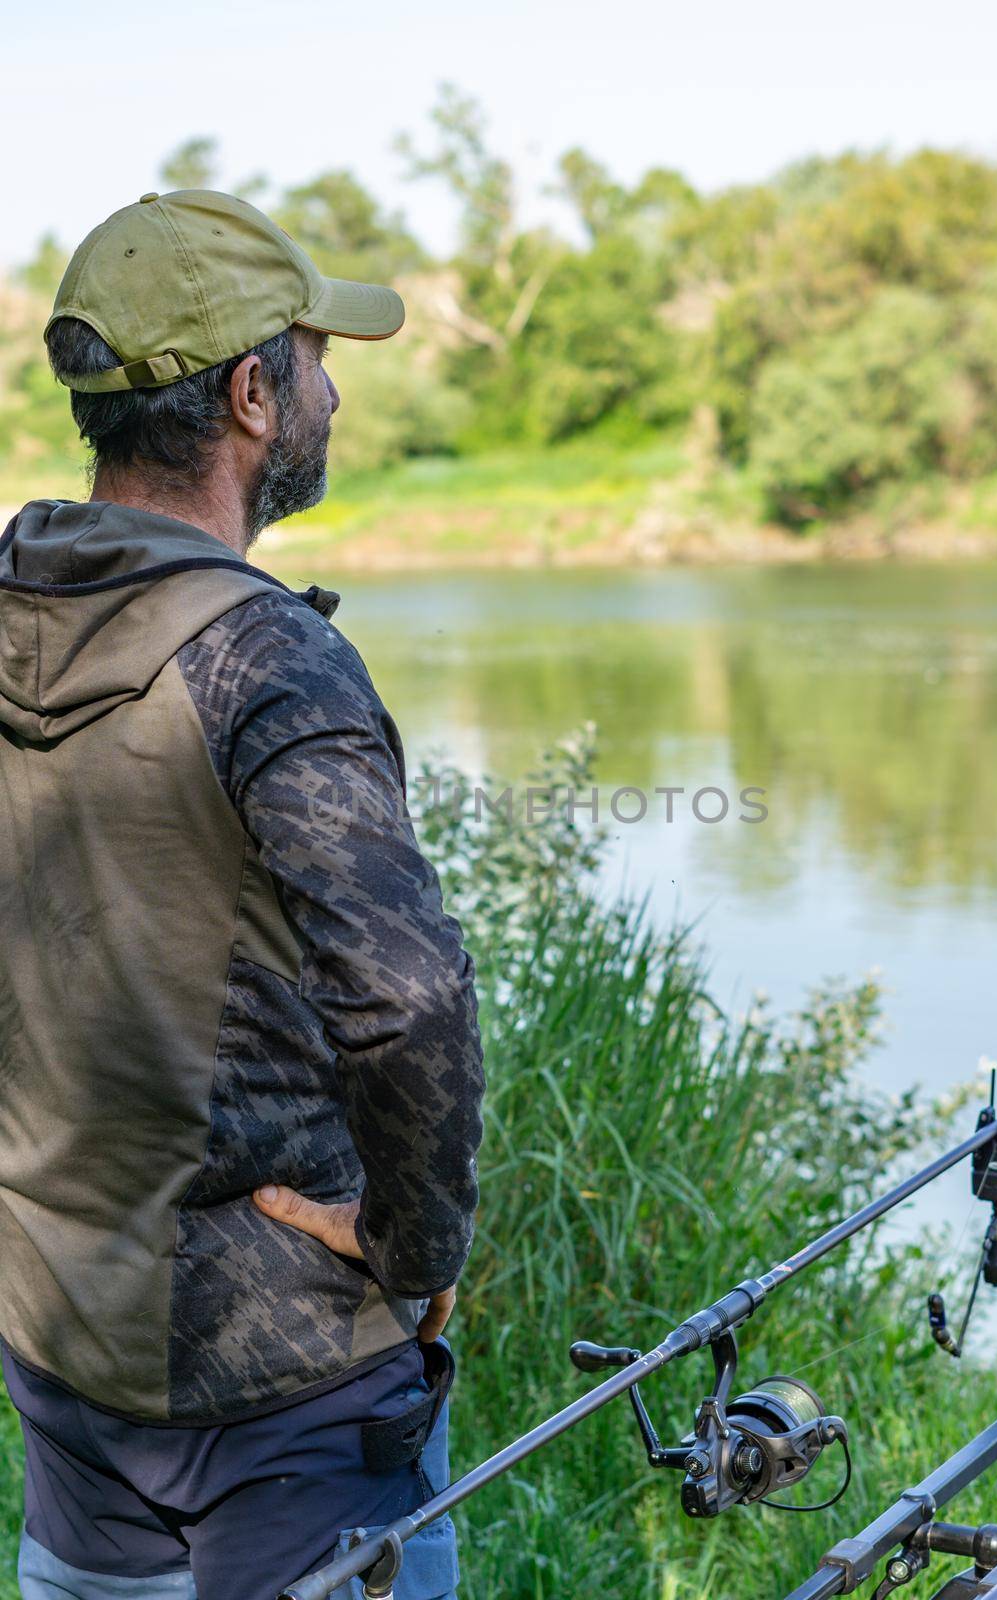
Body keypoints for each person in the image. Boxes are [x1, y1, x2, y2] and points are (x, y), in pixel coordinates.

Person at [0, 189, 485, 1600]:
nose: (335, 388)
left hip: (57, 1337)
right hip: (285, 1399)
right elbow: (409, 999)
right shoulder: (266, 659)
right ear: (255, 395)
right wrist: (413, 1247)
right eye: (318, 358)